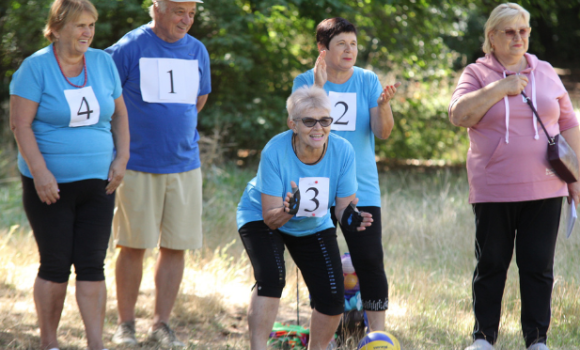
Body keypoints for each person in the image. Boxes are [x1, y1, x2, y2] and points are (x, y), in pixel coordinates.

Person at [449, 3, 580, 350]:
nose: (518, 37)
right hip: (494, 188)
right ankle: (483, 339)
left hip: (547, 185)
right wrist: (499, 88)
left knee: (538, 266)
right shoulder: (476, 73)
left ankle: (537, 340)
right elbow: (458, 114)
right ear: (491, 37)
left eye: (523, 31)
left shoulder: (546, 71)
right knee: (491, 264)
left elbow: (567, 123)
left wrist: (577, 177)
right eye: (509, 31)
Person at [8, 0, 130, 349]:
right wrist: (41, 172)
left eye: (91, 25)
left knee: (93, 263)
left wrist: (122, 157)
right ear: (58, 27)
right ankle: (50, 343)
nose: (87, 32)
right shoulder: (35, 68)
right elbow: (20, 125)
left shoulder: (103, 63)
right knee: (56, 263)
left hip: (100, 183)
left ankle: (95, 343)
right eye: (80, 25)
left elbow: (120, 115)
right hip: (50, 186)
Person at [105, 0, 211, 347]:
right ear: (158, 8)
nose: (187, 19)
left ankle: (161, 325)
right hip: (136, 164)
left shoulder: (197, 50)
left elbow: (199, 98)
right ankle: (125, 325)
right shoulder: (129, 47)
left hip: (184, 165)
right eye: (180, 11)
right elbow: (108, 99)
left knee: (176, 246)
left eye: (192, 13)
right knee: (132, 245)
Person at [237, 86, 373, 350]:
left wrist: (350, 218)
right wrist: (290, 210)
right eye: (309, 121)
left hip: (313, 222)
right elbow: (270, 218)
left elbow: (343, 208)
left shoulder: (343, 151)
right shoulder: (274, 150)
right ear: (293, 124)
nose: (318, 128)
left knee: (333, 297)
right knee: (272, 278)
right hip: (262, 215)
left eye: (325, 120)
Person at [292, 17, 398, 331]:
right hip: (317, 186)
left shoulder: (367, 80)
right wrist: (319, 86)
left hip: (360, 189)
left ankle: (376, 334)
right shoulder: (305, 82)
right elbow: (301, 131)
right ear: (322, 49)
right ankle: (330, 332)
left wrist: (384, 106)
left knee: (369, 261)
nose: (349, 49)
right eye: (341, 44)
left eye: (353, 43)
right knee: (321, 266)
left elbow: (383, 133)